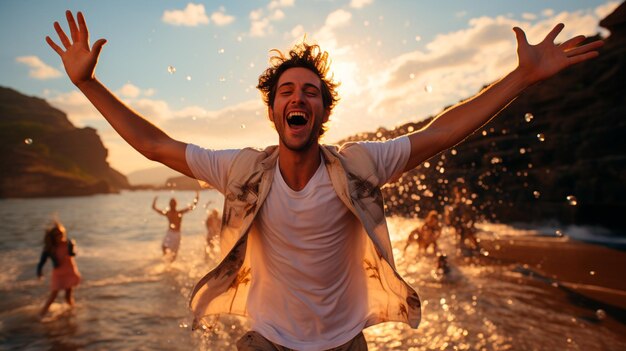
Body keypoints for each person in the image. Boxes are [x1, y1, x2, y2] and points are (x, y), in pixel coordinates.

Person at [46, 10, 603, 350]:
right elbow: (156, 146)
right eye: (286, 91)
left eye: (310, 91)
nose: (298, 97)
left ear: (320, 113)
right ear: (273, 112)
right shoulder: (242, 170)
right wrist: (89, 86)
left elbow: (438, 134)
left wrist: (522, 77)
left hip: (344, 345)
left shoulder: (359, 166)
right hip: (263, 341)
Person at [36, 220, 81, 318]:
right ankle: (41, 315)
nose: (60, 236)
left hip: (70, 271)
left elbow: (73, 254)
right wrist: (39, 272)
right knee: (53, 295)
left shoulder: (68, 243)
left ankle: (72, 312)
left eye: (61, 234)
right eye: (57, 235)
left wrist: (73, 247)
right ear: (53, 237)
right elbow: (41, 262)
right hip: (58, 273)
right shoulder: (50, 248)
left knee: (68, 295)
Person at [152, 191, 199, 261]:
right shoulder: (169, 213)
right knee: (164, 247)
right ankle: (166, 262)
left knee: (174, 253)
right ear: (170, 204)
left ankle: (170, 265)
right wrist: (154, 201)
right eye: (171, 203)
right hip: (170, 233)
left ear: (175, 204)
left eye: (173, 203)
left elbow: (192, 207)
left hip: (177, 234)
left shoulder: (178, 213)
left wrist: (197, 197)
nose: (172, 204)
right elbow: (154, 208)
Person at [448, 186, 480, 253]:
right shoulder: (455, 204)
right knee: (462, 234)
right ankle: (462, 250)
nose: (459, 194)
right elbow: (452, 217)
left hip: (465, 223)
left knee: (469, 233)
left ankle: (476, 249)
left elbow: (472, 216)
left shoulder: (466, 203)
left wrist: (470, 223)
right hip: (458, 224)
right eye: (458, 193)